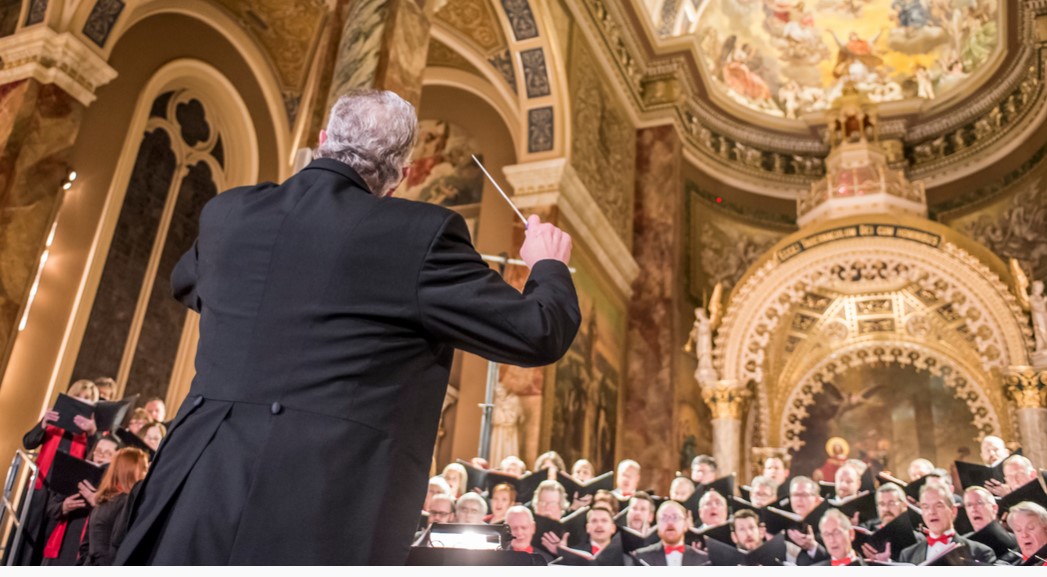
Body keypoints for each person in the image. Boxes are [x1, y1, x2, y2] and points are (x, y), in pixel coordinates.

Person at [115, 90, 580, 566]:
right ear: (400, 174)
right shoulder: (420, 235)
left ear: (323, 140)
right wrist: (547, 263)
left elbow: (187, 284)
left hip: (193, 489)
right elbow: (538, 330)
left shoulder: (230, 213)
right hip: (319, 506)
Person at [10, 379, 99, 566]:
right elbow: (28, 442)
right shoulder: (54, 422)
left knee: (48, 536)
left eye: (87, 399)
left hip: (62, 493)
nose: (82, 400)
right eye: (78, 396)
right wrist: (43, 422)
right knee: (26, 533)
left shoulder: (89, 433)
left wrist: (92, 433)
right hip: (40, 486)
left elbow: (94, 457)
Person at [40, 437, 117, 565]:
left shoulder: (117, 486)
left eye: (108, 453)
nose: (101, 456)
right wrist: (64, 506)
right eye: (98, 451)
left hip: (91, 547)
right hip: (65, 542)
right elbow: (51, 508)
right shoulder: (76, 471)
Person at [79, 448, 149, 565]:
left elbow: (85, 546)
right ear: (132, 471)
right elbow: (119, 541)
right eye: (145, 469)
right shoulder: (126, 501)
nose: (147, 474)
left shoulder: (102, 501)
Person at [898, 481, 996, 564]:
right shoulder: (907, 555)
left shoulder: (980, 552)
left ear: (953, 511)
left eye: (938, 505)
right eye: (926, 507)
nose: (931, 512)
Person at [630, 501, 709, 566]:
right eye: (664, 518)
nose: (670, 522)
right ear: (657, 526)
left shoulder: (704, 560)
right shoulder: (640, 557)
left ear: (685, 525)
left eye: (675, 517)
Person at [963, 486, 1020, 564]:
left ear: (994, 508)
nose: (974, 509)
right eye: (969, 505)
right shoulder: (964, 544)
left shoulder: (1017, 539)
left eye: (980, 503)